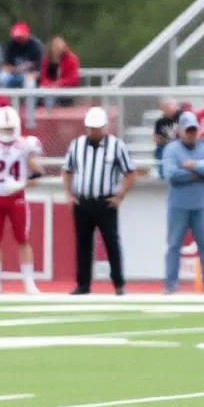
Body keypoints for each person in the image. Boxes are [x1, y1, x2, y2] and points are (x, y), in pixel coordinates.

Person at [61, 106, 135, 296]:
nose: (94, 131)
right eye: (91, 128)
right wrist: (69, 194)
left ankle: (118, 284)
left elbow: (130, 173)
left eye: (97, 128)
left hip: (105, 202)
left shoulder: (116, 145)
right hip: (83, 202)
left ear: (105, 127)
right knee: (83, 245)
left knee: (112, 243)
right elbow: (67, 171)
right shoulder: (76, 145)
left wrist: (119, 196)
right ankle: (83, 285)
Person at [0, 106, 42, 294]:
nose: (6, 134)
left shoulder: (24, 145)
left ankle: (29, 282)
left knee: (23, 239)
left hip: (16, 199)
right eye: (3, 129)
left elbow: (39, 173)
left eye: (9, 129)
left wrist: (21, 184)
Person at [161, 111, 204, 295]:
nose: (191, 133)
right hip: (178, 205)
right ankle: (170, 285)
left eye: (194, 130)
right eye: (188, 130)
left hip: (201, 205)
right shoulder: (172, 149)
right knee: (173, 246)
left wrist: (193, 166)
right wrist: (198, 174)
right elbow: (171, 175)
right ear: (180, 131)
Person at [38, 36, 80, 104]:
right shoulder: (46, 59)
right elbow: (43, 77)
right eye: (55, 46)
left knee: (60, 99)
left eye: (59, 46)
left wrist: (59, 84)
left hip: (66, 90)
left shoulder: (72, 59)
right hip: (49, 89)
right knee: (44, 95)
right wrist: (49, 85)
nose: (57, 48)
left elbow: (73, 78)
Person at [0, 23, 42, 89]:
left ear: (27, 34)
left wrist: (31, 74)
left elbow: (40, 68)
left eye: (20, 36)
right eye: (17, 37)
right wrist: (17, 69)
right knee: (3, 77)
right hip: (15, 74)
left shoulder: (35, 46)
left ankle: (28, 99)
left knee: (30, 82)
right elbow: (5, 67)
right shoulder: (11, 45)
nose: (18, 39)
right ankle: (4, 98)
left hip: (30, 75)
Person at [153, 96, 179, 171]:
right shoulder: (160, 121)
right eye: (164, 106)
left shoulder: (180, 118)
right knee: (160, 150)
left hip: (177, 146)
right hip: (164, 146)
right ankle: (162, 174)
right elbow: (156, 137)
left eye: (168, 106)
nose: (166, 108)